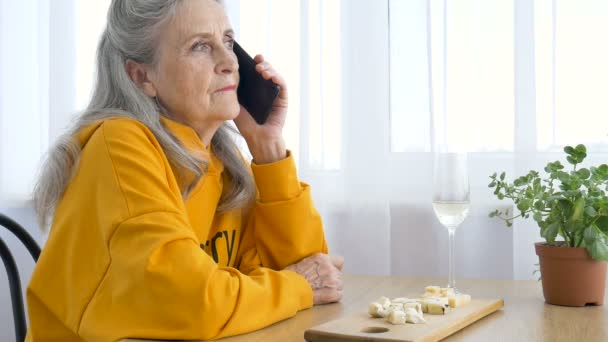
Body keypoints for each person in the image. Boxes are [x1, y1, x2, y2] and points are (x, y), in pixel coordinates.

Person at [25, 0, 343, 341]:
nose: (230, 62)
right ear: (142, 76)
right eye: (201, 46)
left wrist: (268, 149)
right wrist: (297, 286)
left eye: (228, 40)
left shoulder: (219, 158)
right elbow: (196, 302)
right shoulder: (119, 147)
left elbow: (312, 273)